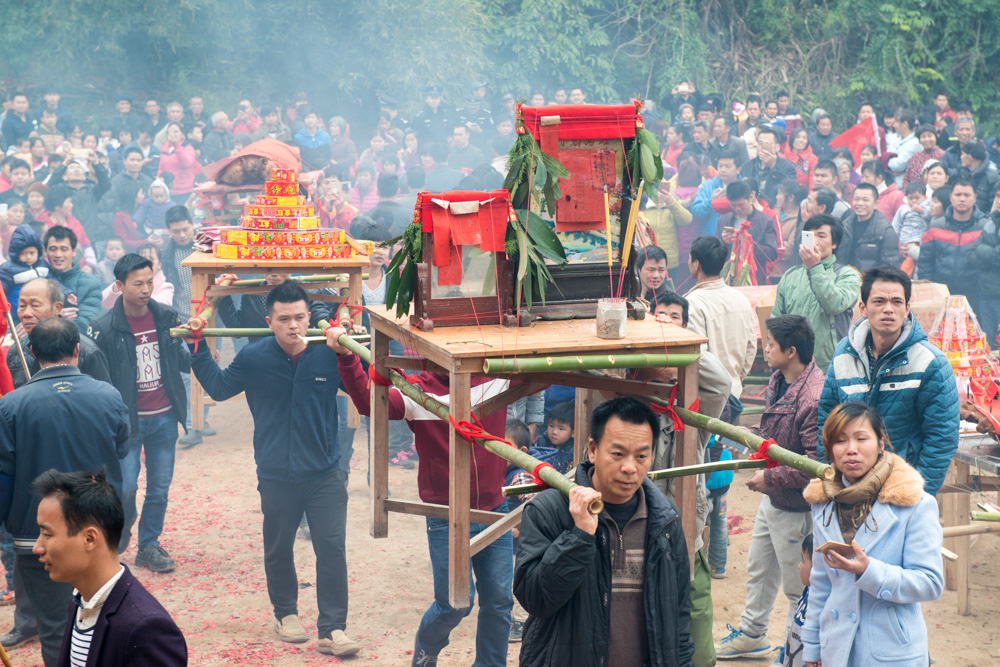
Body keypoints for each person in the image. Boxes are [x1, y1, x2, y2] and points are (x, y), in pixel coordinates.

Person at [328, 314, 512, 667]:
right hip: (444, 514)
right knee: (454, 604)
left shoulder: (497, 376)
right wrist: (346, 356)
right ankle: (427, 646)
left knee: (500, 600)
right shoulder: (417, 388)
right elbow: (369, 402)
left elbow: (545, 376)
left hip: (494, 508)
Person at [189, 281, 361, 658]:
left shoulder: (326, 354)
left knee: (331, 547)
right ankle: (285, 614)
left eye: (300, 317)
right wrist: (196, 347)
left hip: (325, 472)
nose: (293, 325)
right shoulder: (254, 357)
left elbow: (362, 390)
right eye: (284, 319)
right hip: (275, 472)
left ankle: (334, 628)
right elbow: (218, 388)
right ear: (270, 321)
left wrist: (351, 350)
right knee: (279, 547)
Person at [513, 396, 694, 667]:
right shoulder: (549, 510)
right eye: (618, 454)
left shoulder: (665, 519)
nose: (630, 467)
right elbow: (535, 599)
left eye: (642, 456)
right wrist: (580, 535)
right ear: (593, 450)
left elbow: (677, 614)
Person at [0, 317, 130, 666]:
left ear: (31, 351)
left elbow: (3, 474)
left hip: (37, 536)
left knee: (56, 630)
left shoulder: (11, 405)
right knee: (103, 620)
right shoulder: (108, 395)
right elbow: (122, 447)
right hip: (97, 529)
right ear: (77, 350)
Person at [802, 402, 944, 667]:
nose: (851, 449)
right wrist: (812, 647)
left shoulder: (914, 503)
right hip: (836, 648)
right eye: (840, 441)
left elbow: (930, 582)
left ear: (881, 443)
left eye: (861, 438)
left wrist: (870, 572)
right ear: (830, 449)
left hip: (888, 651)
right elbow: (820, 583)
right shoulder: (823, 502)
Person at [715, 315, 823, 660]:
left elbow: (813, 469)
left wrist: (769, 478)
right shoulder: (779, 379)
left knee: (797, 586)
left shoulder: (813, 398)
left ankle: (796, 650)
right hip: (773, 500)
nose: (765, 348)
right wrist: (752, 446)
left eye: (770, 343)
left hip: (796, 507)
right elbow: (773, 437)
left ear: (791, 351)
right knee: (759, 568)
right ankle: (752, 632)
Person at [87, 254, 189, 573]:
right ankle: (122, 526)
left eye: (149, 282)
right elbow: (96, 378)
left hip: (164, 417)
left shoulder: (167, 317)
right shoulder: (102, 328)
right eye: (137, 283)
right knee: (125, 486)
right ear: (119, 286)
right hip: (126, 422)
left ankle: (149, 546)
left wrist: (201, 353)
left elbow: (180, 359)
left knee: (160, 486)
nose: (146, 289)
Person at [818, 267, 959, 494]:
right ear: (862, 308)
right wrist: (831, 477)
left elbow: (941, 438)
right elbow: (826, 419)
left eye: (896, 302)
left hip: (901, 484)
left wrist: (916, 494)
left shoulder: (930, 362)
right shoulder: (843, 354)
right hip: (849, 485)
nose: (888, 309)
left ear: (907, 309)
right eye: (879, 301)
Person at [32, 470, 188, 666]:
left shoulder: (146, 628)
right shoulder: (81, 602)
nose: (36, 547)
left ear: (89, 538)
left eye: (47, 535)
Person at [769, 214, 860, 371]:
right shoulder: (790, 275)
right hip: (794, 364)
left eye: (821, 235)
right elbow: (777, 319)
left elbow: (834, 305)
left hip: (830, 365)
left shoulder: (847, 274)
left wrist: (815, 267)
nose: (815, 241)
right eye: (810, 236)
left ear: (835, 243)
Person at [684, 236, 757, 406]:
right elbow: (751, 347)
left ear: (697, 264)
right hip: (734, 392)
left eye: (689, 258)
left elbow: (697, 356)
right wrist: (735, 379)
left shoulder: (692, 302)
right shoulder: (740, 298)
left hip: (705, 397)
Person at [9, 277, 110, 387]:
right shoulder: (16, 351)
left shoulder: (86, 351)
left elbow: (102, 398)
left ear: (57, 308)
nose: (26, 313)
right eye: (22, 306)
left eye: (35, 305)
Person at [918, 178, 986, 306]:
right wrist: (929, 290)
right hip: (941, 294)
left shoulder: (984, 227)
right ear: (950, 197)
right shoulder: (935, 226)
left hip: (975, 295)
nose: (962, 199)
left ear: (975, 197)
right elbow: (925, 263)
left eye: (967, 195)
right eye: (958, 194)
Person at [716, 179, 779, 284]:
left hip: (754, 279)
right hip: (727, 279)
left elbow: (772, 254)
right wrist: (723, 242)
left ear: (750, 197)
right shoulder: (723, 221)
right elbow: (715, 255)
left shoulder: (765, 221)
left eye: (741, 204)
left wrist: (749, 243)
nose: (738, 209)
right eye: (733, 205)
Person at [43, 227, 102, 332]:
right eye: (53, 249)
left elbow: (86, 325)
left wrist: (48, 322)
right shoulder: (39, 281)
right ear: (45, 251)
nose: (58, 255)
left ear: (74, 251)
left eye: (64, 249)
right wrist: (54, 316)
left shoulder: (91, 284)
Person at [838, 183, 900, 270]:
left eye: (865, 200)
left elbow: (890, 267)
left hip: (871, 281)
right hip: (845, 279)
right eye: (856, 199)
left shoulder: (885, 231)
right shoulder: (844, 226)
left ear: (876, 204)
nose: (860, 203)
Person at [691, 147, 742, 235]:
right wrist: (710, 202)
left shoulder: (744, 186)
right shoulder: (708, 185)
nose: (723, 170)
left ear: (738, 169)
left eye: (727, 166)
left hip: (737, 236)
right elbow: (696, 212)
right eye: (720, 166)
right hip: (713, 237)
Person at [0, 225, 50, 314]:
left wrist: (66, 293)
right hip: (16, 313)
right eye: (23, 253)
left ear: (38, 252)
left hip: (40, 311)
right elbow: (2, 291)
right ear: (16, 253)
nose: (28, 257)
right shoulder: (8, 269)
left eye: (32, 253)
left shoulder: (43, 265)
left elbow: (54, 283)